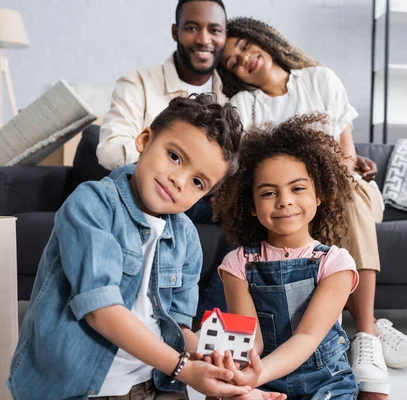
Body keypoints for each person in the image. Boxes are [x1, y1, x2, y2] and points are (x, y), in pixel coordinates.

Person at [218, 17, 407, 397]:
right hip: (270, 364)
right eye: (232, 61)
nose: (242, 59)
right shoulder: (242, 106)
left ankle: (366, 333)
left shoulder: (320, 79)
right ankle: (371, 327)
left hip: (340, 186)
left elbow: (345, 155)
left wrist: (340, 171)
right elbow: (246, 167)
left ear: (263, 40)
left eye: (245, 46)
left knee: (350, 188)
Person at [7, 94, 253, 400]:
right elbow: (100, 310)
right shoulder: (93, 204)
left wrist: (216, 362)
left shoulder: (187, 238)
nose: (179, 180)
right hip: (76, 388)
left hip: (152, 383)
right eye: (175, 157)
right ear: (144, 139)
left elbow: (176, 328)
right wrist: (184, 369)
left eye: (198, 183)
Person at [211, 115, 359, 399]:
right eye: (268, 193)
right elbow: (251, 342)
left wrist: (256, 375)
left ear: (319, 195)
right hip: (262, 380)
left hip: (325, 382)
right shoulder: (237, 264)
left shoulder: (336, 264)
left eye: (298, 188)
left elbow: (308, 337)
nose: (284, 200)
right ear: (251, 206)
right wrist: (237, 375)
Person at [96, 0, 228, 171]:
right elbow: (111, 151)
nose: (203, 39)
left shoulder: (232, 96)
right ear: (175, 32)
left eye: (214, 30)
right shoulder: (138, 83)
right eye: (192, 28)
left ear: (225, 35)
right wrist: (175, 163)